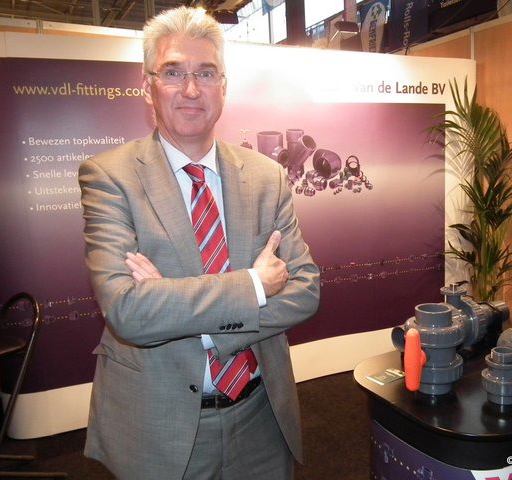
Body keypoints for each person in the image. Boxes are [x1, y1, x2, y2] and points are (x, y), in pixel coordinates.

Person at [78, 6, 320, 479]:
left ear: (223, 86)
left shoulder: (267, 177)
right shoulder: (109, 177)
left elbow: (306, 289)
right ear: (147, 85)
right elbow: (128, 311)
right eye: (173, 72)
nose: (191, 89)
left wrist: (176, 309)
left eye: (206, 73)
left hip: (261, 417)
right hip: (160, 426)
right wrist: (254, 286)